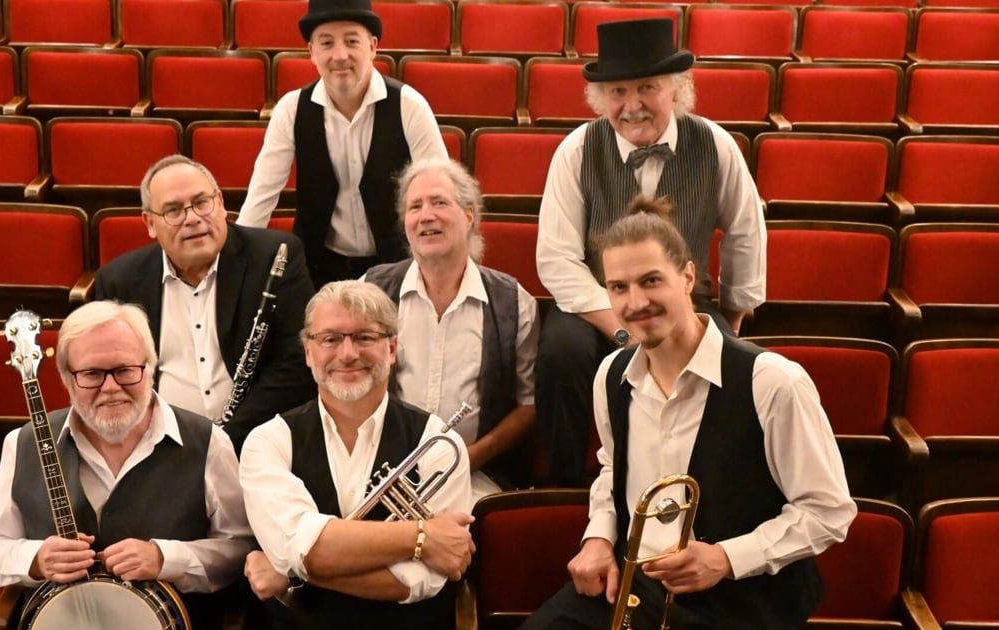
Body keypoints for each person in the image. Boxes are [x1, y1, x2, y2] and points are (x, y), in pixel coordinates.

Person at [523, 198, 854, 629]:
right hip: (637, 581)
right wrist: (600, 538)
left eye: (651, 281)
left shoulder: (773, 381)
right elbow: (611, 469)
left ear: (688, 276)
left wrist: (725, 558)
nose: (635, 302)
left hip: (741, 596)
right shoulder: (610, 374)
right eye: (619, 287)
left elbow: (829, 512)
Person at [535, 18, 767, 486]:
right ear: (602, 100)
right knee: (560, 355)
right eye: (618, 92)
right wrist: (621, 323)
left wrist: (733, 315)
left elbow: (746, 235)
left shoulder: (715, 145)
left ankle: (702, 487)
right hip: (596, 305)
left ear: (676, 91)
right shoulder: (576, 150)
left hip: (684, 301)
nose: (632, 105)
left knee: (727, 361)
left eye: (647, 88)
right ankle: (561, 487)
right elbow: (556, 259)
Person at [0, 300, 254, 625]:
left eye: (124, 371)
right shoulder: (23, 443)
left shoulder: (207, 442)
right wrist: (35, 559)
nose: (110, 388)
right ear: (67, 378)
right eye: (91, 374)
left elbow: (240, 547)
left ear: (150, 369)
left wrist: (167, 558)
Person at [239, 280, 474, 629]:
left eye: (365, 337)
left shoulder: (439, 441)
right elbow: (304, 548)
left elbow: (418, 581)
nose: (348, 354)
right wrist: (422, 536)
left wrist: (293, 574)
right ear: (308, 352)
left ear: (392, 349)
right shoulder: (268, 441)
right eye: (330, 339)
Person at [93, 154, 316, 451]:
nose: (193, 218)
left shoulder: (275, 257)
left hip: (260, 442)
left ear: (221, 203)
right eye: (173, 210)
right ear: (149, 223)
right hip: (157, 447)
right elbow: (112, 375)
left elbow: (297, 364)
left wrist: (223, 440)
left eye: (201, 202)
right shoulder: (119, 280)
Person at [236, 0, 449, 287]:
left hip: (398, 267)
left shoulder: (409, 105)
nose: (340, 55)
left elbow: (443, 192)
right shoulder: (291, 109)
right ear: (311, 52)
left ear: (372, 47)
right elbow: (261, 196)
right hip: (316, 267)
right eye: (326, 43)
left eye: (351, 41)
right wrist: (235, 266)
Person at [364, 157, 538, 503]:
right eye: (415, 207)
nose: (426, 215)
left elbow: (529, 404)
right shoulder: (371, 290)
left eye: (439, 202)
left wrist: (468, 458)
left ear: (469, 215)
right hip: (379, 473)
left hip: (473, 476)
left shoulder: (513, 302)